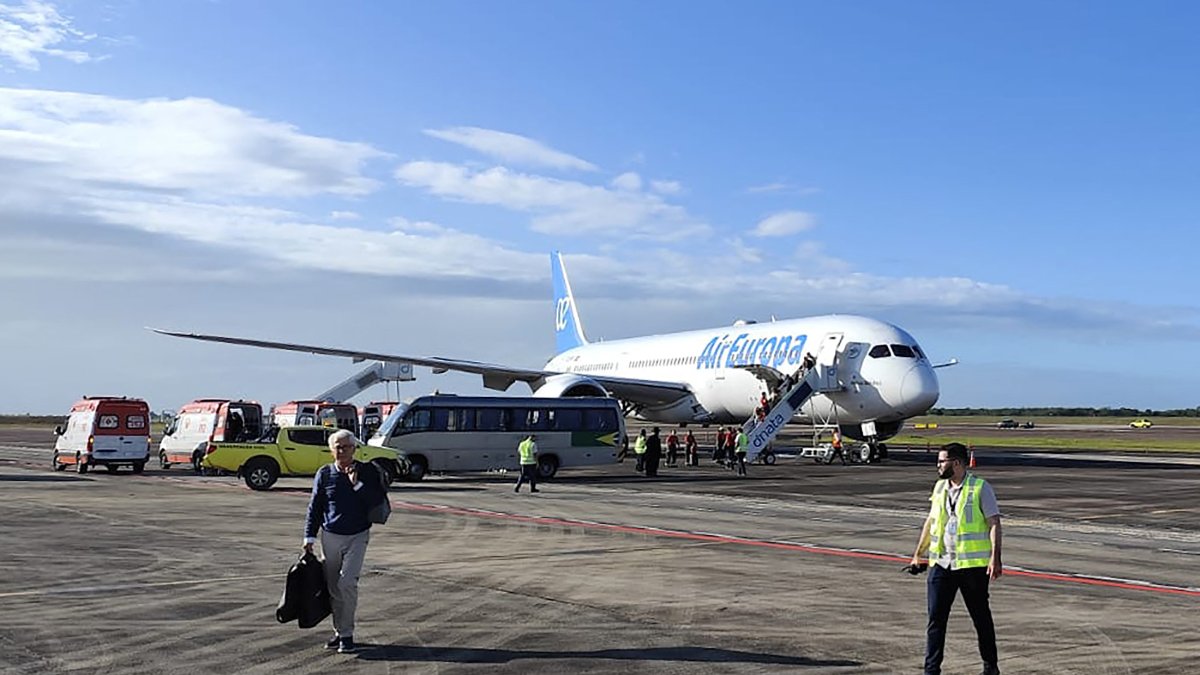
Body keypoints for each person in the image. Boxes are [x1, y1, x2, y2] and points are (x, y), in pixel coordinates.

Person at [909, 442, 1003, 675]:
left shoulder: (980, 488)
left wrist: (995, 558)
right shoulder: (939, 488)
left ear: (958, 463)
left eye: (942, 461)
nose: (938, 465)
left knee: (981, 619)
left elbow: (994, 524)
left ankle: (990, 667)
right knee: (936, 621)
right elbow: (931, 523)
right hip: (941, 564)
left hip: (971, 567)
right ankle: (931, 670)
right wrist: (918, 554)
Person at [303, 429, 387, 654]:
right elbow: (315, 506)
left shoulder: (366, 471)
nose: (342, 451)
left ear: (354, 448)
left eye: (347, 446)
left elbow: (376, 500)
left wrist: (356, 484)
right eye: (338, 447)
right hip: (330, 536)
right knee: (333, 589)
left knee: (347, 583)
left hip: (358, 535)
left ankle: (347, 634)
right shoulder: (324, 474)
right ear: (331, 450)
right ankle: (339, 631)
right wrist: (308, 536)